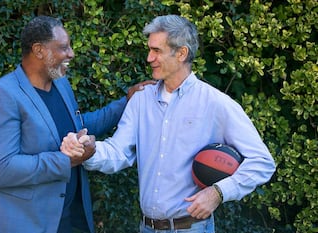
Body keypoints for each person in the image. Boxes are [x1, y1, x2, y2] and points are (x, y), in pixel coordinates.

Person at [61, 15, 276, 233]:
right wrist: (88, 150)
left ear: (182, 53)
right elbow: (119, 152)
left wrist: (218, 192)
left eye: (157, 51)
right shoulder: (141, 100)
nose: (148, 58)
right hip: (146, 227)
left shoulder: (215, 103)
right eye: (149, 49)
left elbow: (262, 162)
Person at [0, 15, 154, 233]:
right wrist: (66, 160)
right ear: (39, 50)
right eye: (63, 47)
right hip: (19, 223)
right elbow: (0, 170)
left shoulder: (60, 85)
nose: (71, 54)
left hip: (63, 220)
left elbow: (78, 125)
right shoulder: (3, 95)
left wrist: (126, 102)